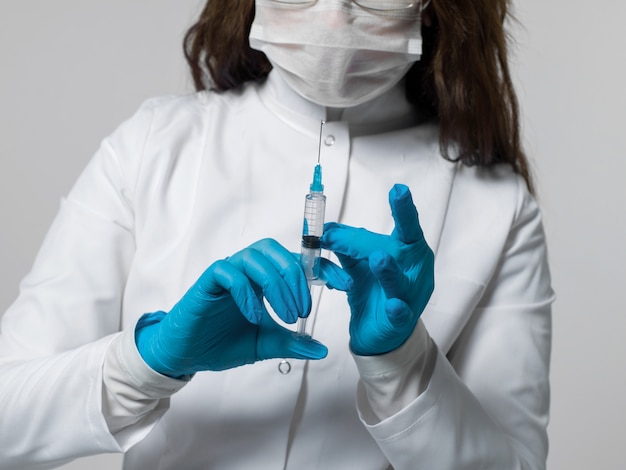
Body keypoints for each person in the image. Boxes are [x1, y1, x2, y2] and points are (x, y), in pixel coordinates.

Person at [0, 0, 554, 469]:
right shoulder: (154, 145)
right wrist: (149, 360)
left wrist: (403, 365)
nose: (335, 19)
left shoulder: (496, 203)